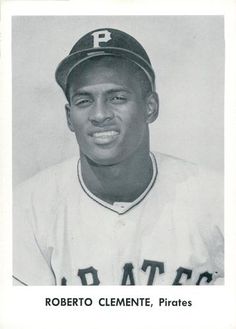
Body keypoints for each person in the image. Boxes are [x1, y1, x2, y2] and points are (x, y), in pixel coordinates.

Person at [13, 28, 224, 286]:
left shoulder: (218, 198)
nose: (100, 114)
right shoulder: (26, 207)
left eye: (117, 97)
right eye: (84, 101)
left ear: (150, 107)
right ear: (69, 117)